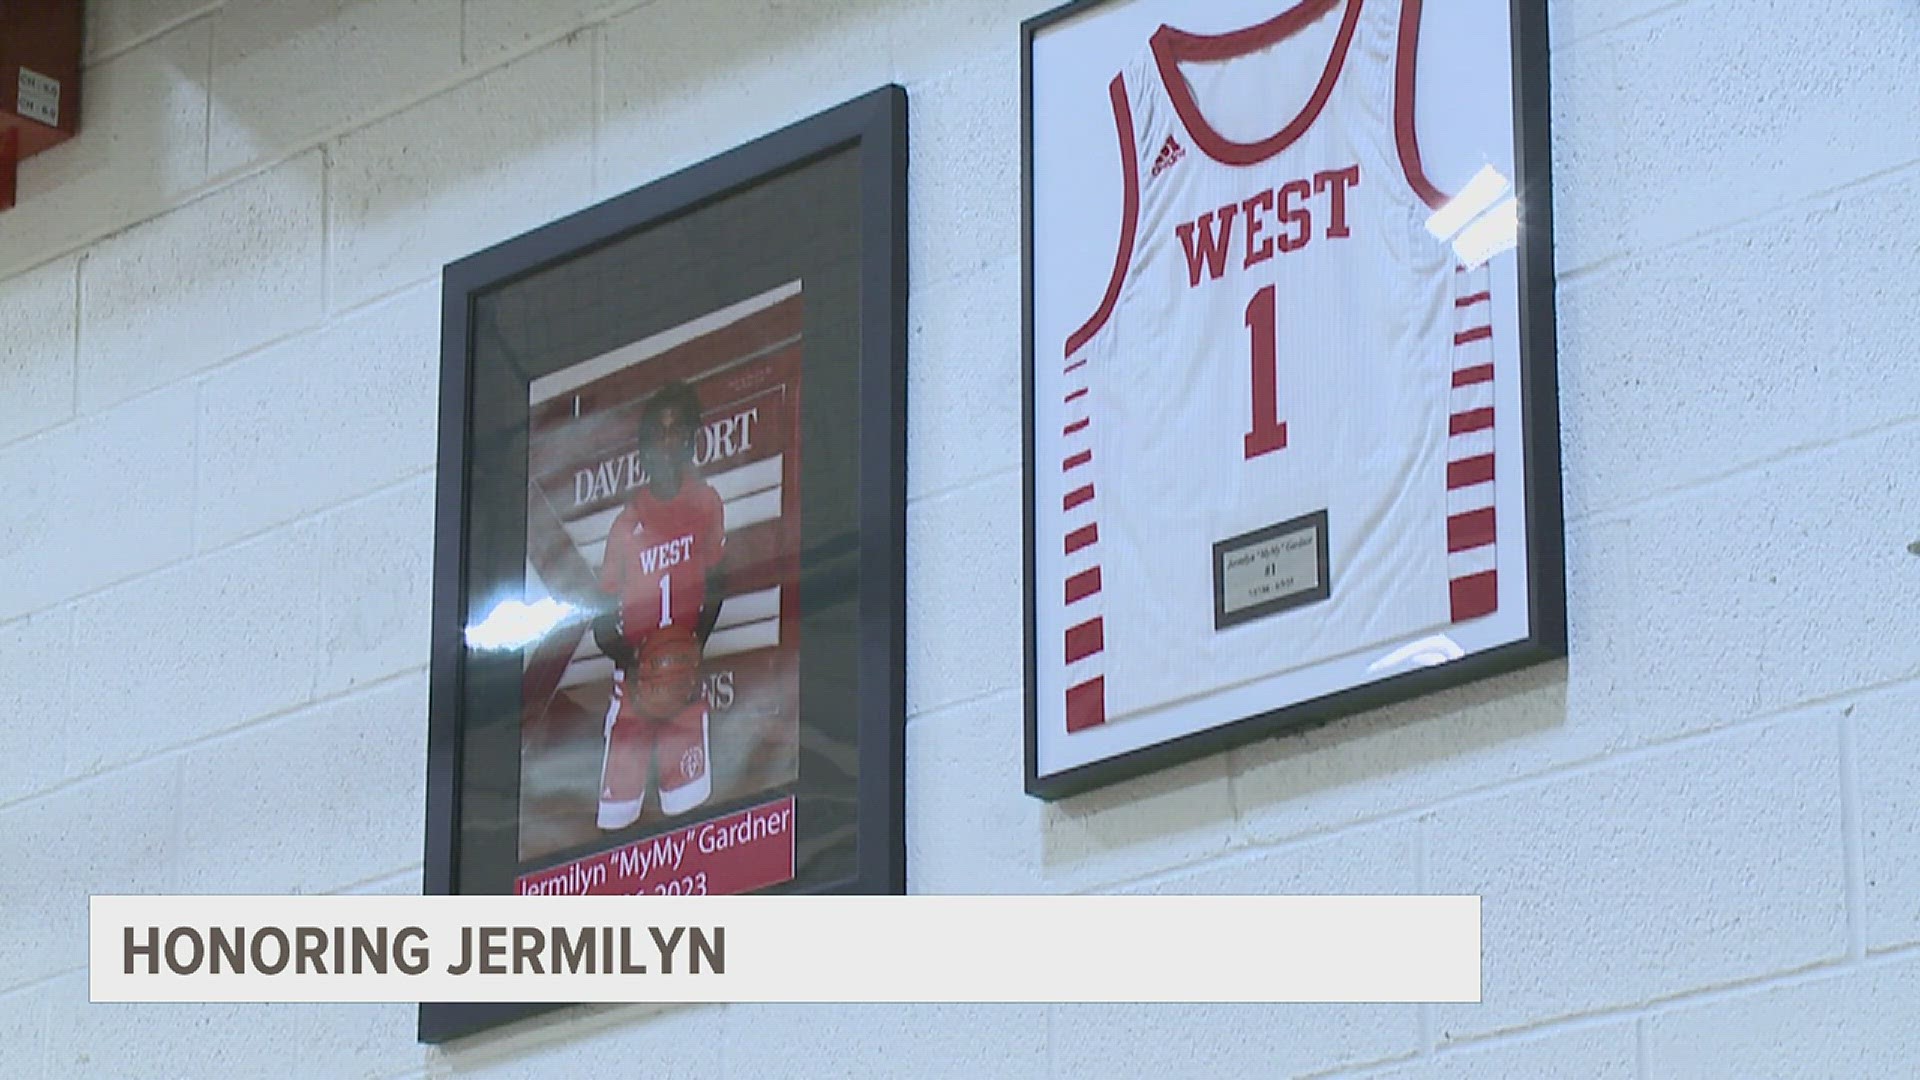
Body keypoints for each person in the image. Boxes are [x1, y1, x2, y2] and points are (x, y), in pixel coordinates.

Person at [589, 380, 727, 828]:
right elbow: (601, 623)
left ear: (692, 440)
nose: (667, 442)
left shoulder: (706, 505)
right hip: (633, 686)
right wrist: (638, 662)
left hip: (684, 683)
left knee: (688, 813)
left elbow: (718, 582)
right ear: (644, 447)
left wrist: (690, 650)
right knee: (616, 819)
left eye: (677, 430)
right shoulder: (625, 526)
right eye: (658, 432)